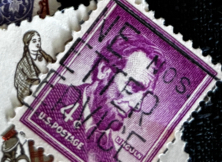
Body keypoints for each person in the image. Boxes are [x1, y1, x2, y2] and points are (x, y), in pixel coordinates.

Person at [39, 30, 161, 162]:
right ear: (104, 70)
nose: (137, 106)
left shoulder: (111, 157)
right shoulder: (47, 97)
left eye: (144, 96)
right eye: (133, 86)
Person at [13, 29, 53, 101]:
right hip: (40, 98)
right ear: (27, 44)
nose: (38, 43)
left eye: (39, 40)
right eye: (34, 41)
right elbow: (22, 90)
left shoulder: (44, 55)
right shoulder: (22, 65)